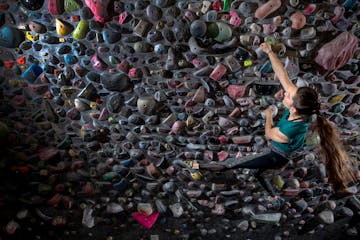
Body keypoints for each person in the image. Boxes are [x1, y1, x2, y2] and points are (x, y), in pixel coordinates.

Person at [196, 42, 356, 196]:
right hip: (281, 147)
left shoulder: (291, 129)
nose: (286, 93)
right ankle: (272, 194)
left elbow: (270, 133)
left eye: (288, 96)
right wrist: (270, 52)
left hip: (276, 156)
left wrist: (268, 116)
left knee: (231, 163)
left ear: (293, 108)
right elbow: (282, 74)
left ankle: (194, 166)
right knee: (260, 174)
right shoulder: (299, 104)